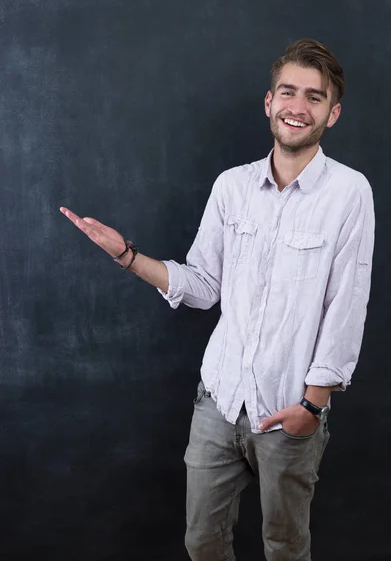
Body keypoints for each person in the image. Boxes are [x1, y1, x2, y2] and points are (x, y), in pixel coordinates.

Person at [60, 39, 375, 561]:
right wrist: (127, 255)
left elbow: (347, 303)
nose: (299, 107)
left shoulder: (349, 193)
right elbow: (205, 286)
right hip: (219, 399)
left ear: (332, 113)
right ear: (269, 101)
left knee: (285, 547)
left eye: (315, 98)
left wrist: (311, 407)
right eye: (288, 92)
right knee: (202, 542)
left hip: (288, 406)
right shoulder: (232, 187)